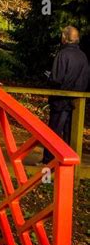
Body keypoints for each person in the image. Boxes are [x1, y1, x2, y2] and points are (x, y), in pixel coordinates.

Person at [42, 26, 89, 163]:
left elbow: (57, 78)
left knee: (54, 131)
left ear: (64, 38)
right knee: (70, 132)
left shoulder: (63, 54)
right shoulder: (83, 56)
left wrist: (49, 77)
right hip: (77, 100)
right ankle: (68, 161)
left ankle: (48, 160)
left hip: (61, 99)